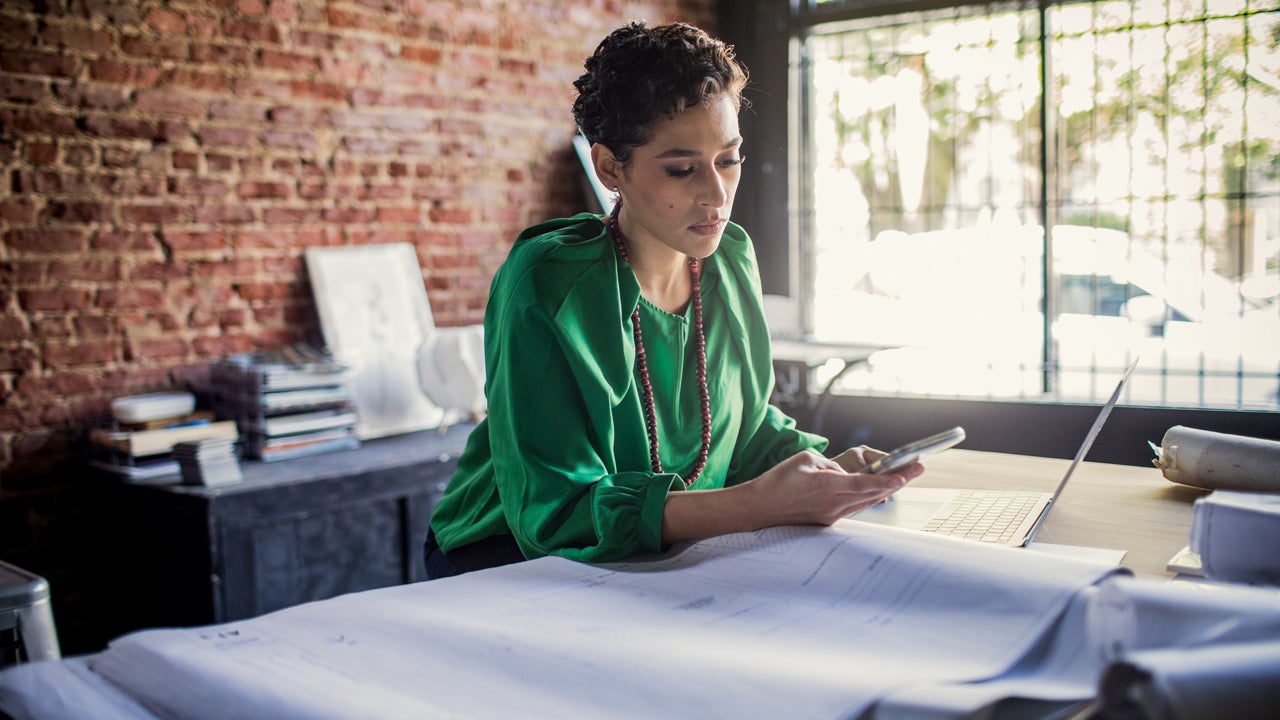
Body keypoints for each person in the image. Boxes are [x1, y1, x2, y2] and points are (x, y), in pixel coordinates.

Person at [424, 20, 923, 579]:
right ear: (611, 167)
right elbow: (555, 512)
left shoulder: (729, 258)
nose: (716, 195)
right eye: (682, 169)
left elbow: (746, 428)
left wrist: (828, 470)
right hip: (508, 555)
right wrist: (758, 504)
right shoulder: (549, 282)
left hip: (663, 554)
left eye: (728, 159)